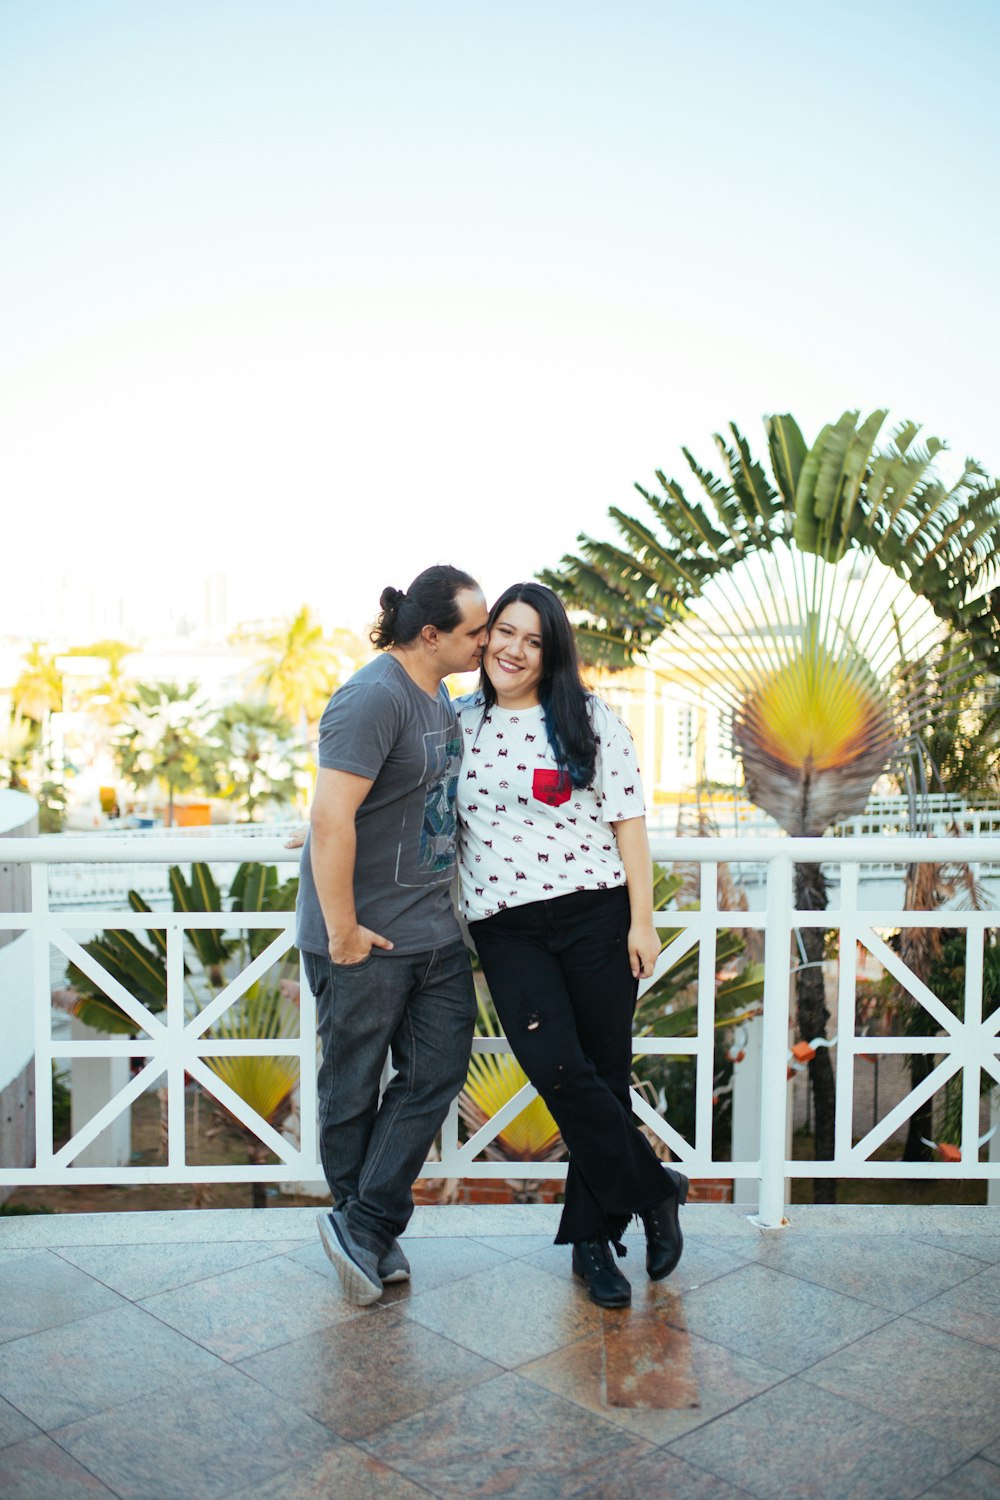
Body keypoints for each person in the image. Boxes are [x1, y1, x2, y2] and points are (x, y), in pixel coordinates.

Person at [455, 581, 688, 1309]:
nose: (515, 651)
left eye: (534, 641)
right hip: (506, 925)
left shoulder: (588, 719)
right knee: (559, 1069)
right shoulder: (457, 723)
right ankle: (656, 1191)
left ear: (551, 653)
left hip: (596, 916)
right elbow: (398, 795)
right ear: (486, 636)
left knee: (604, 1075)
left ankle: (592, 1247)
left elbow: (629, 824)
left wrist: (642, 922)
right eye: (505, 633)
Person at [296, 564, 489, 1305]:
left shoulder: (438, 693)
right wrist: (342, 930)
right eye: (475, 631)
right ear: (431, 633)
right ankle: (365, 1230)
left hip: (432, 930)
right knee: (351, 1090)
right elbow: (329, 815)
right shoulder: (372, 696)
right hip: (364, 937)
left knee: (438, 1071)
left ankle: (366, 1226)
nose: (484, 642)